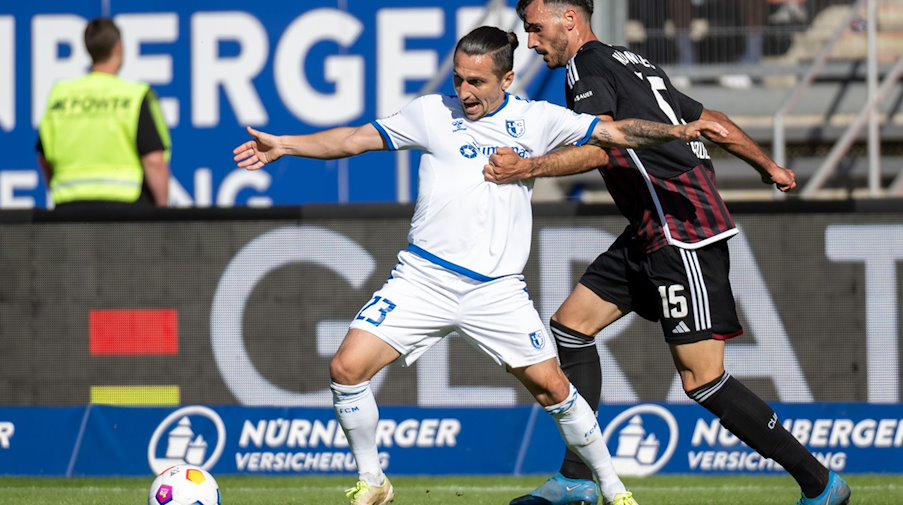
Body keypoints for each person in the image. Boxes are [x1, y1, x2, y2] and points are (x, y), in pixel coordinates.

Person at [233, 25, 727, 505]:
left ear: (507, 80)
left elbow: (615, 133)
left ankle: (615, 490)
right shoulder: (431, 112)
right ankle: (374, 481)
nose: (464, 92)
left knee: (556, 389)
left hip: (496, 292)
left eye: (477, 82)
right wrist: (288, 144)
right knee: (346, 368)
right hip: (422, 279)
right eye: (458, 79)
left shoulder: (538, 120)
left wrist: (678, 131)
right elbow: (354, 140)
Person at [483, 2, 852, 505]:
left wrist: (528, 168)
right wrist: (769, 166)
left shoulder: (586, 69)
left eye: (535, 27)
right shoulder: (632, 61)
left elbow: (602, 147)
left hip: (682, 230)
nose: (530, 40)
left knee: (703, 379)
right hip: (650, 227)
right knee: (572, 327)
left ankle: (820, 483)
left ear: (570, 18)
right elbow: (712, 119)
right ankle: (578, 478)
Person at [37, 17, 171, 210]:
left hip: (70, 210)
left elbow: (44, 156)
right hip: (126, 211)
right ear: (118, 48)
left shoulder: (61, 95)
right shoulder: (134, 95)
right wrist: (162, 212)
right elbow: (154, 160)